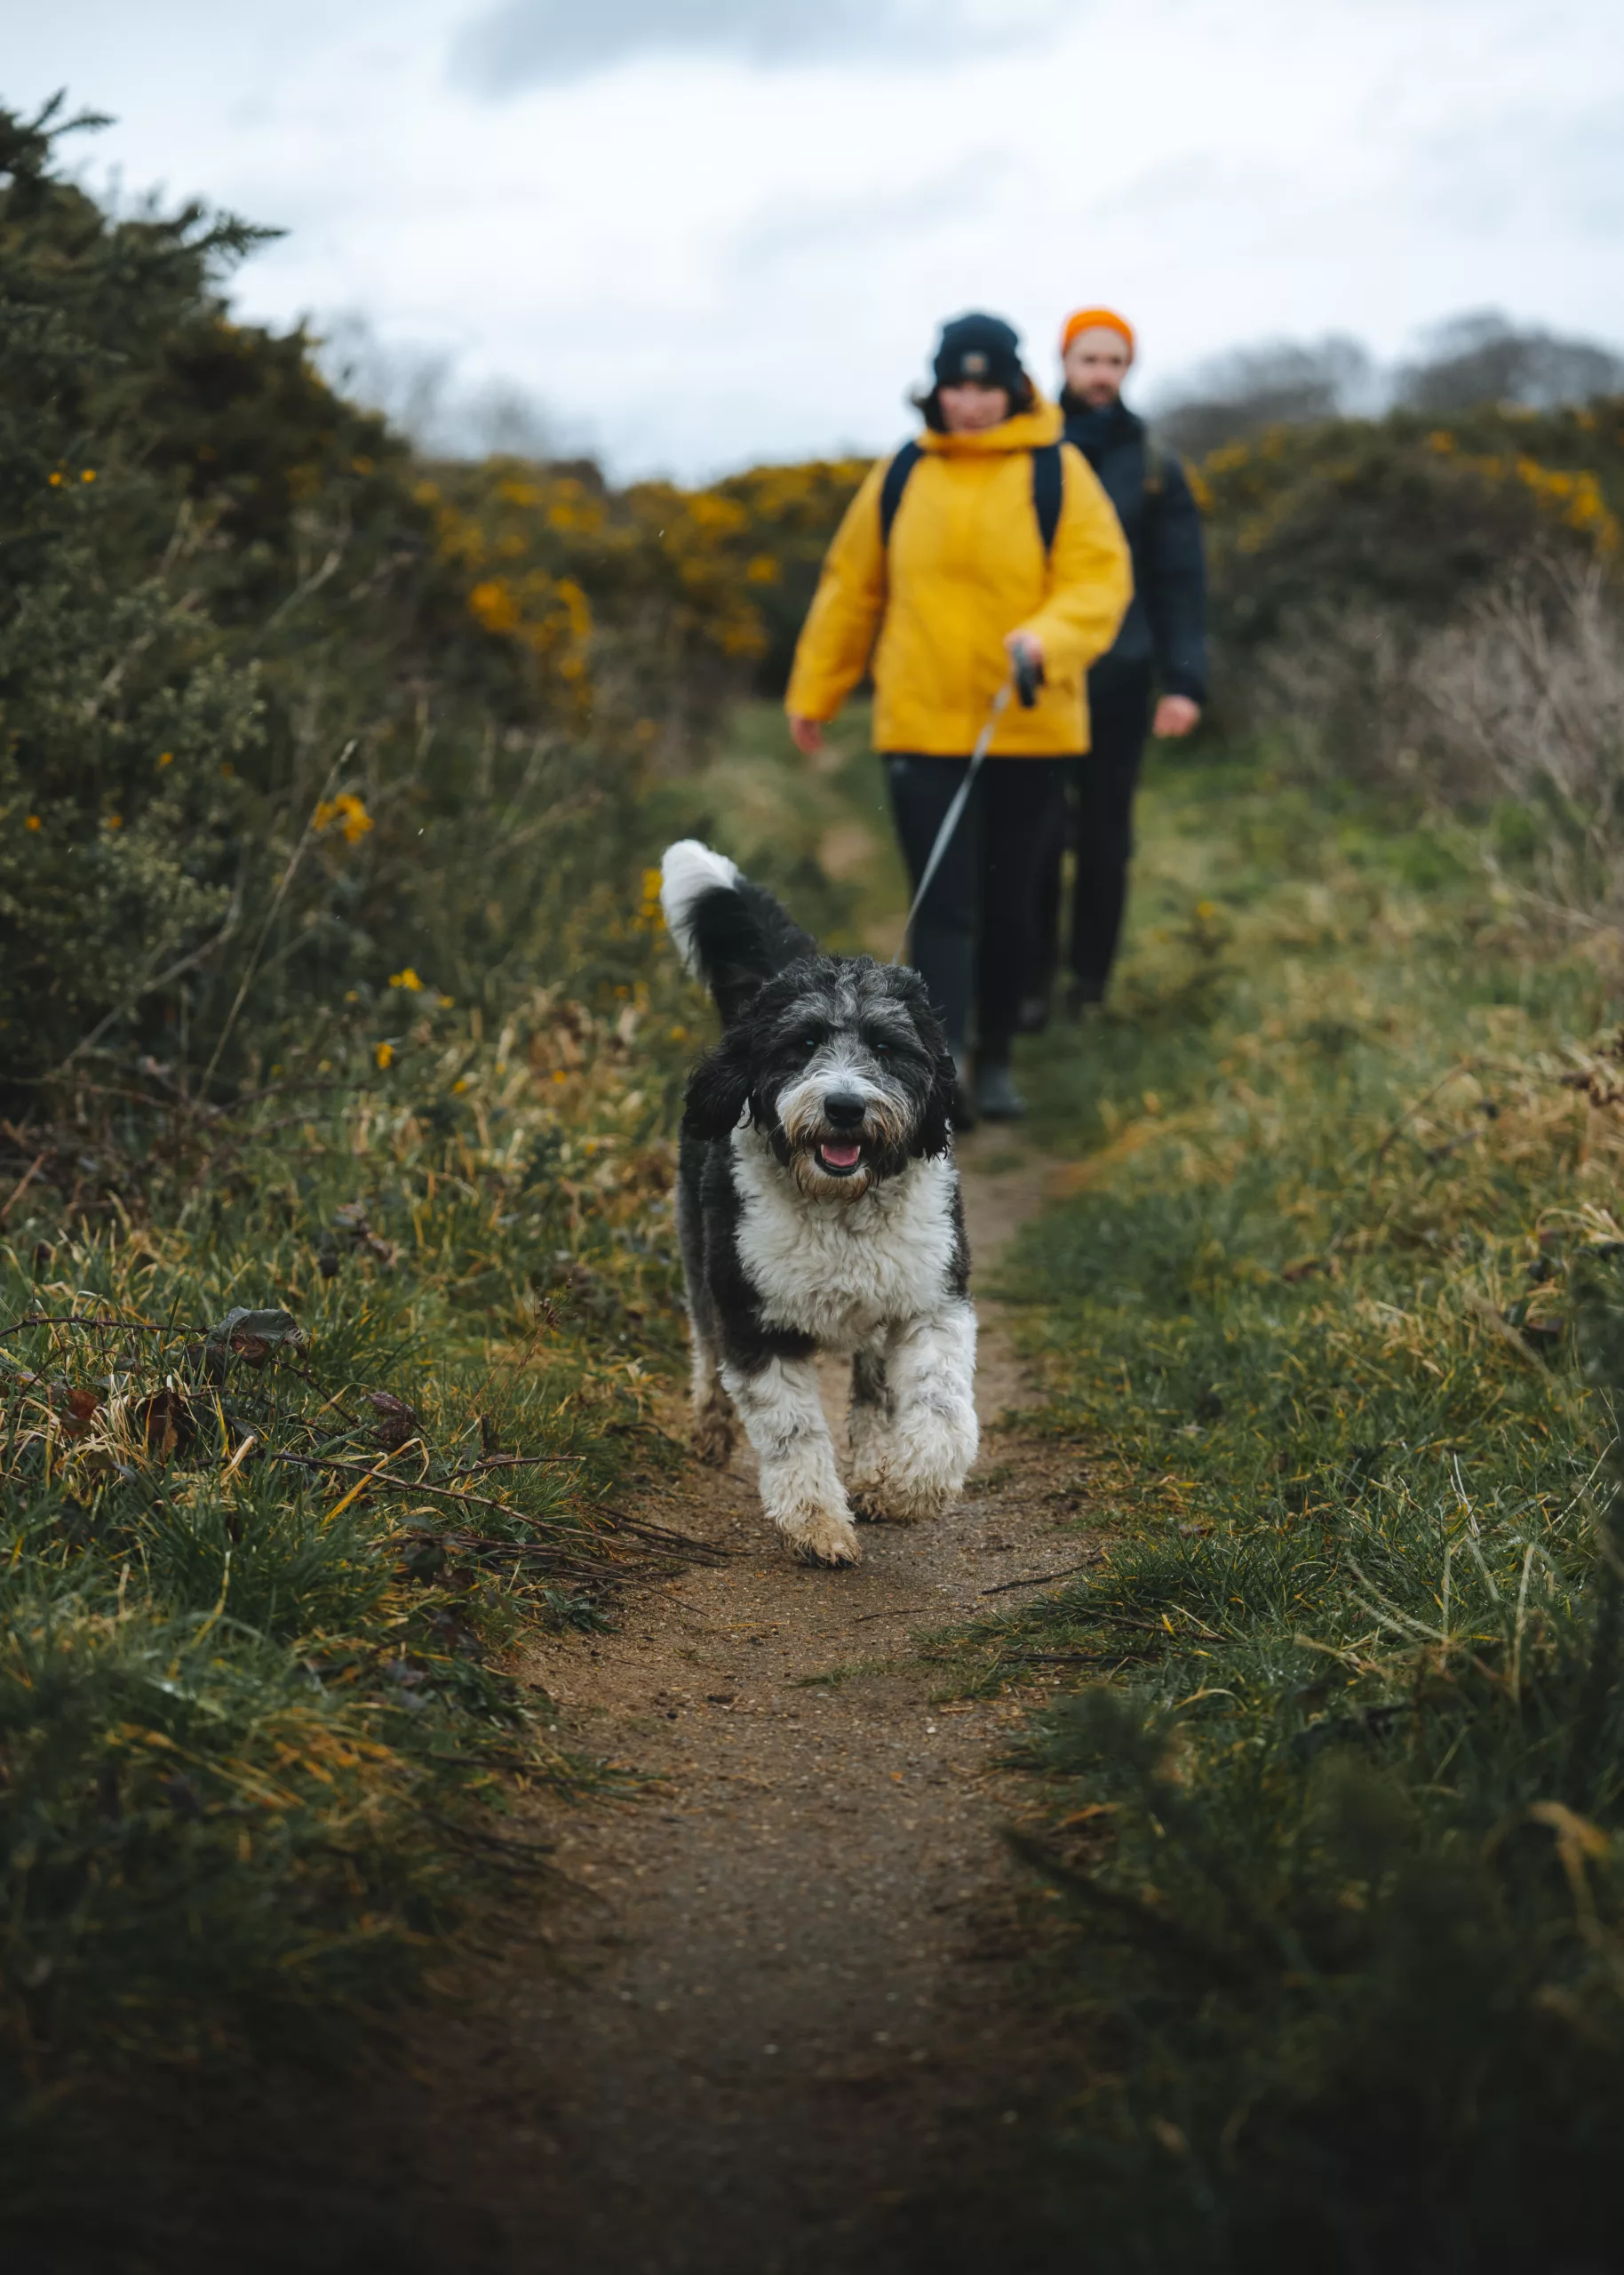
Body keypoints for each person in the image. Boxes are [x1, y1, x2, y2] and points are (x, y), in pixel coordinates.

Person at [784, 312, 1130, 1122]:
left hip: (1030, 727)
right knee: (943, 903)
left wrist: (1046, 639)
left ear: (1012, 387)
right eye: (957, 384)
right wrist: (815, 691)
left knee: (1013, 903)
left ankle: (997, 1056)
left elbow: (1099, 582)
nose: (971, 401)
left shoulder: (1059, 471)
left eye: (986, 385)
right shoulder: (902, 474)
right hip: (920, 724)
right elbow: (851, 588)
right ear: (936, 388)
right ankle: (938, 1073)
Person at [1028, 307, 1208, 1020]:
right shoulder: (1028, 448)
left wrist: (1184, 681)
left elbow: (1180, 579)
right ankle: (1029, 982)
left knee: (1106, 839)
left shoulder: (1156, 463)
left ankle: (1089, 986)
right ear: (1064, 362)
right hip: (1041, 679)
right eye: (1089, 359)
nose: (1102, 374)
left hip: (1123, 681)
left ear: (1128, 369)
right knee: (1034, 837)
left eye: (1115, 362)